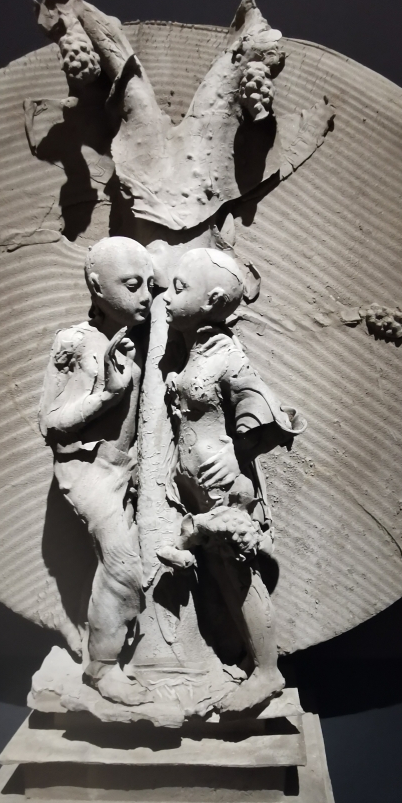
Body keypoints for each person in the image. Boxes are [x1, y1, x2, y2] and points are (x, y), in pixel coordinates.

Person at [158, 248, 305, 711]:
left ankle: (267, 671)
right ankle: (237, 657)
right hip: (197, 489)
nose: (167, 296)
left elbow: (268, 415)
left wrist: (237, 455)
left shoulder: (227, 355)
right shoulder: (198, 350)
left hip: (223, 491)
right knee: (222, 579)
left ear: (213, 301)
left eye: (179, 288)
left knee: (238, 577)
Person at [39, 235, 154, 705]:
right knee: (124, 568)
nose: (145, 296)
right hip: (87, 472)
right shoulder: (74, 342)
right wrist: (107, 396)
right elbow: (50, 424)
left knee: (124, 565)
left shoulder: (132, 341)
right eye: (132, 284)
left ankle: (112, 649)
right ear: (96, 285)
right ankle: (101, 669)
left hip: (125, 469)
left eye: (150, 285)